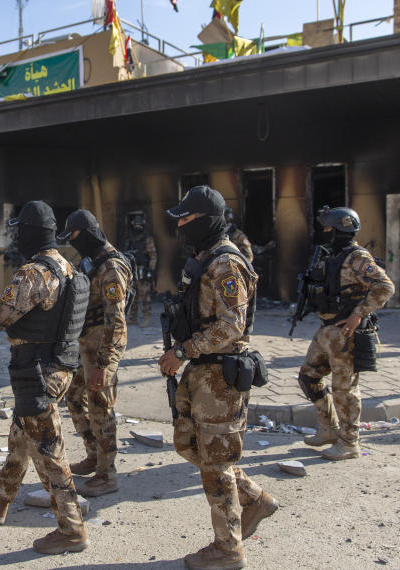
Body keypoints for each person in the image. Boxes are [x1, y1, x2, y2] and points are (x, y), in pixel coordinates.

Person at [0, 201, 89, 555]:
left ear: (29, 233)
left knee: (48, 452)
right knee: (20, 436)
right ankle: (0, 499)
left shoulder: (34, 273)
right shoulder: (68, 268)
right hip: (59, 368)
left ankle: (72, 530)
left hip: (38, 373)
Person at [157, 186, 277, 570]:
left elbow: (230, 327)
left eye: (186, 218)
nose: (180, 224)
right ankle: (255, 499)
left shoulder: (226, 264)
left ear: (206, 220)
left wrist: (180, 352)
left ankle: (228, 549)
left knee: (216, 463)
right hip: (200, 372)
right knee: (189, 445)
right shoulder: (203, 259)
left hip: (219, 377)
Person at [297, 206, 395, 461]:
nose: (326, 233)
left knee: (345, 390)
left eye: (330, 229)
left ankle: (349, 442)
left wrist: (359, 313)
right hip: (327, 329)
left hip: (346, 331)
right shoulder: (333, 255)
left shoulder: (357, 257)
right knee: (309, 376)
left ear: (342, 229)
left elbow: (385, 287)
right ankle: (328, 429)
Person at [58, 209, 132, 497]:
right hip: (84, 347)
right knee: (74, 398)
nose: (73, 243)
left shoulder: (112, 267)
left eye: (75, 237)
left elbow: (117, 320)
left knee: (101, 410)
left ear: (87, 233)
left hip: (101, 352)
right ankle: (94, 455)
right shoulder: (94, 261)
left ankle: (107, 474)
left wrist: (106, 363)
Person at [121, 210, 157, 327]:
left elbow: (153, 256)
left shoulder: (147, 239)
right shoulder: (129, 239)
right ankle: (133, 318)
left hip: (143, 270)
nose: (137, 226)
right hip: (132, 271)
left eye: (139, 225)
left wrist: (150, 271)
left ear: (143, 225)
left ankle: (146, 317)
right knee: (133, 296)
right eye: (135, 224)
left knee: (145, 296)